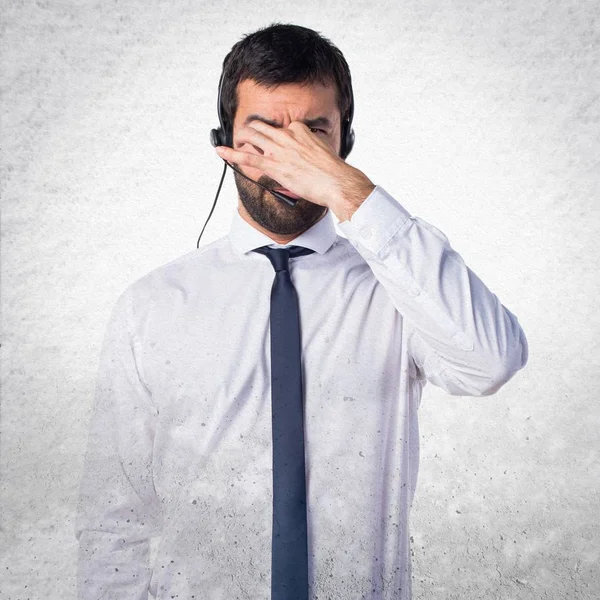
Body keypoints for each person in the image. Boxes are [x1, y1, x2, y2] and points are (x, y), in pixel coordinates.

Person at [75, 22, 529, 600]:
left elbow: (491, 362)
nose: (292, 162)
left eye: (314, 136)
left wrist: (351, 193)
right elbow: (116, 514)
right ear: (225, 140)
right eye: (265, 136)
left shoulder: (399, 287)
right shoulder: (152, 307)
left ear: (344, 144)